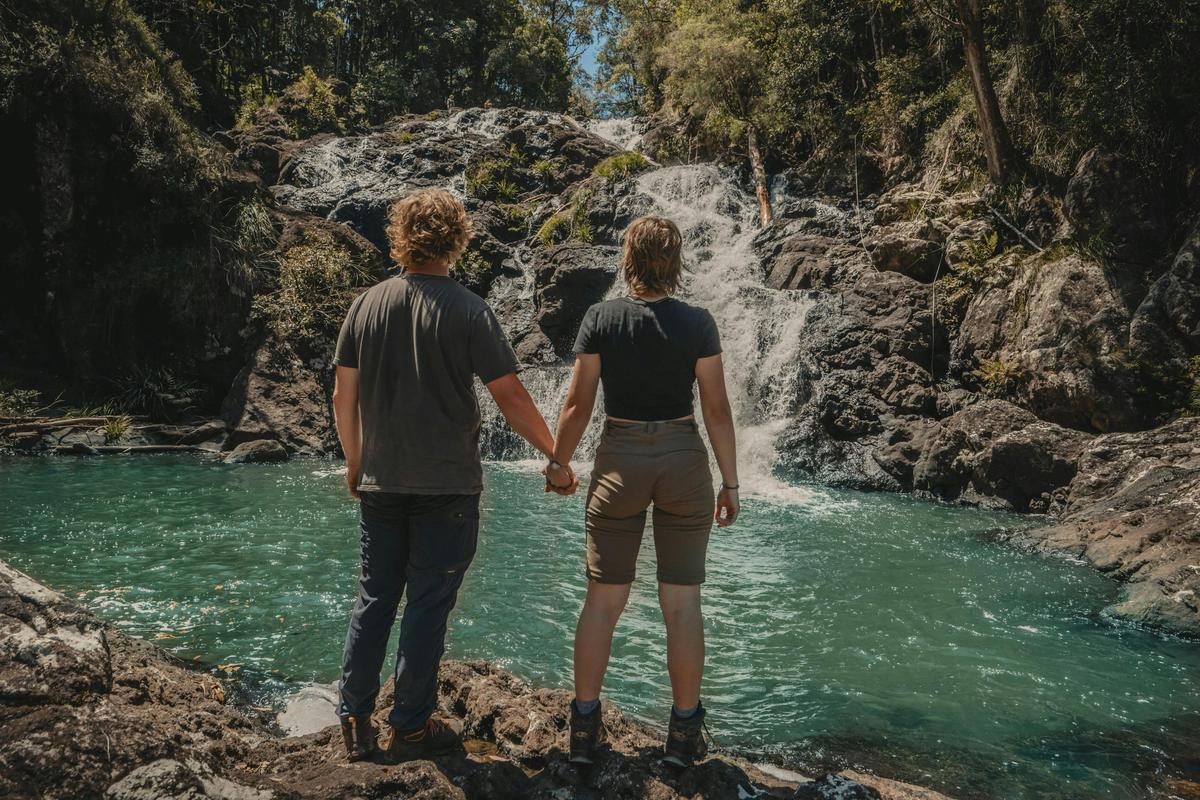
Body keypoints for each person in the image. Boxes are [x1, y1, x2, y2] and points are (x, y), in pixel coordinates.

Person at [331, 188, 577, 763]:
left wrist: (355, 461)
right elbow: (510, 396)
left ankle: (356, 722)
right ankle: (410, 729)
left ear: (400, 236)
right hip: (447, 485)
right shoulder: (470, 310)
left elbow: (344, 396)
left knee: (374, 597)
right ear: (457, 239)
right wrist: (556, 457)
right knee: (426, 605)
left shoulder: (365, 305)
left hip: (381, 480)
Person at [549, 216, 740, 767]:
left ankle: (583, 734)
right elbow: (716, 409)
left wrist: (559, 462)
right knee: (681, 604)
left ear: (627, 258)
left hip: (620, 461)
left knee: (603, 601)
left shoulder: (601, 318)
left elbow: (579, 403)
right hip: (684, 461)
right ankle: (683, 738)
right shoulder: (698, 322)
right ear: (675, 263)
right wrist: (730, 482)